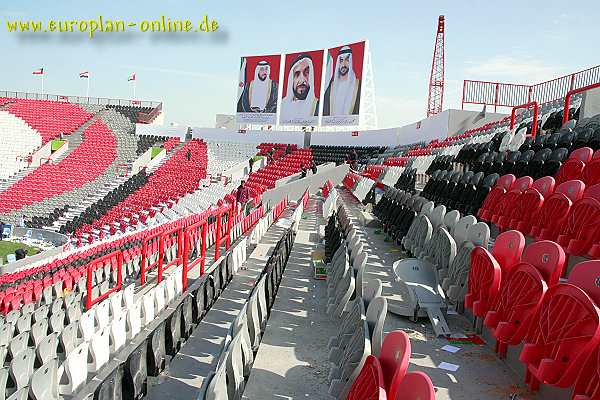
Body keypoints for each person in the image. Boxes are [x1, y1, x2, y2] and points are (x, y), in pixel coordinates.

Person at [323, 46, 362, 116]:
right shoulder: (330, 88)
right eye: (341, 60)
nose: (343, 65)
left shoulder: (358, 86)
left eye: (347, 60)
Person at [280, 54, 319, 122]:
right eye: (297, 74)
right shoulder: (282, 105)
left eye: (306, 73)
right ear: (291, 79)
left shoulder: (317, 106)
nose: (302, 80)